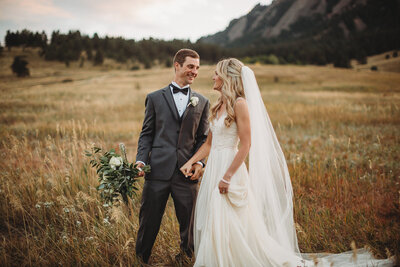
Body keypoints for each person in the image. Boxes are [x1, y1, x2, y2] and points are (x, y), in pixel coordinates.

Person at [180, 58, 394, 267]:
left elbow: (245, 145)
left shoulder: (240, 104)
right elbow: (209, 144)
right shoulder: (218, 106)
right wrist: (191, 161)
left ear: (227, 77)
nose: (213, 76)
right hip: (215, 167)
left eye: (217, 72)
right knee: (215, 218)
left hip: (230, 169)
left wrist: (227, 177)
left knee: (232, 220)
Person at [135, 49, 210, 264]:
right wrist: (141, 160)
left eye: (197, 67)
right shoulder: (154, 98)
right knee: (148, 221)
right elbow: (146, 134)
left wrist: (199, 162)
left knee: (190, 223)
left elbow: (203, 138)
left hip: (187, 173)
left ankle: (186, 258)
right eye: (190, 66)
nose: (194, 71)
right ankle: (141, 259)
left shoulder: (202, 102)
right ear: (177, 65)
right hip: (157, 170)